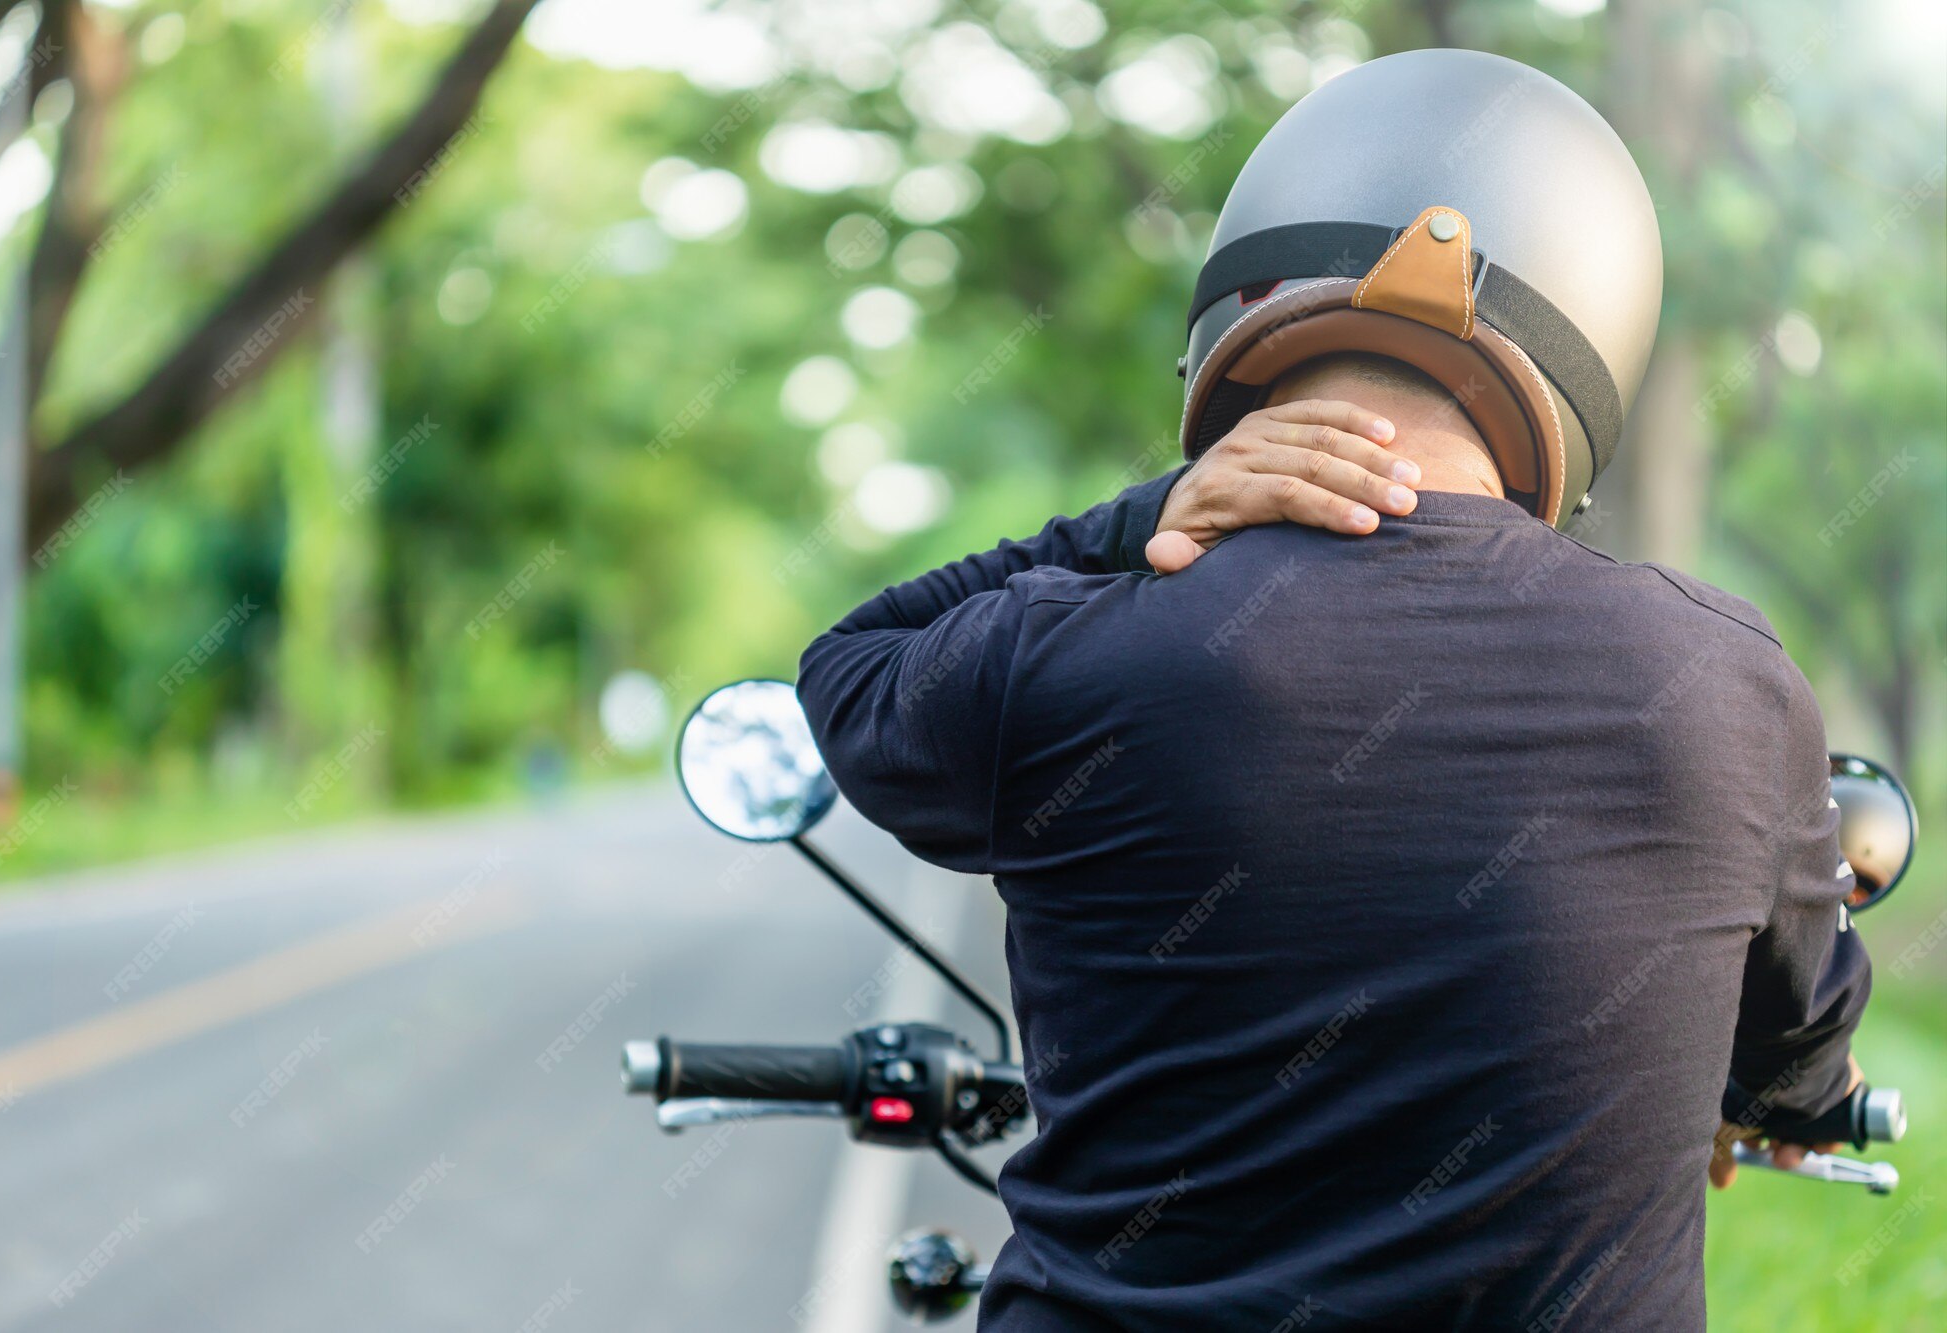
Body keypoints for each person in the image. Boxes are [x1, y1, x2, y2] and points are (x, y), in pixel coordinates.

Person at [796, 49, 1868, 1331]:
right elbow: (1801, 1045)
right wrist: (1777, 1090)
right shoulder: (1726, 684)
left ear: (1245, 301)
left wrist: (1141, 521)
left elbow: (845, 671)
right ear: (1588, 342)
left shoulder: (1069, 651)